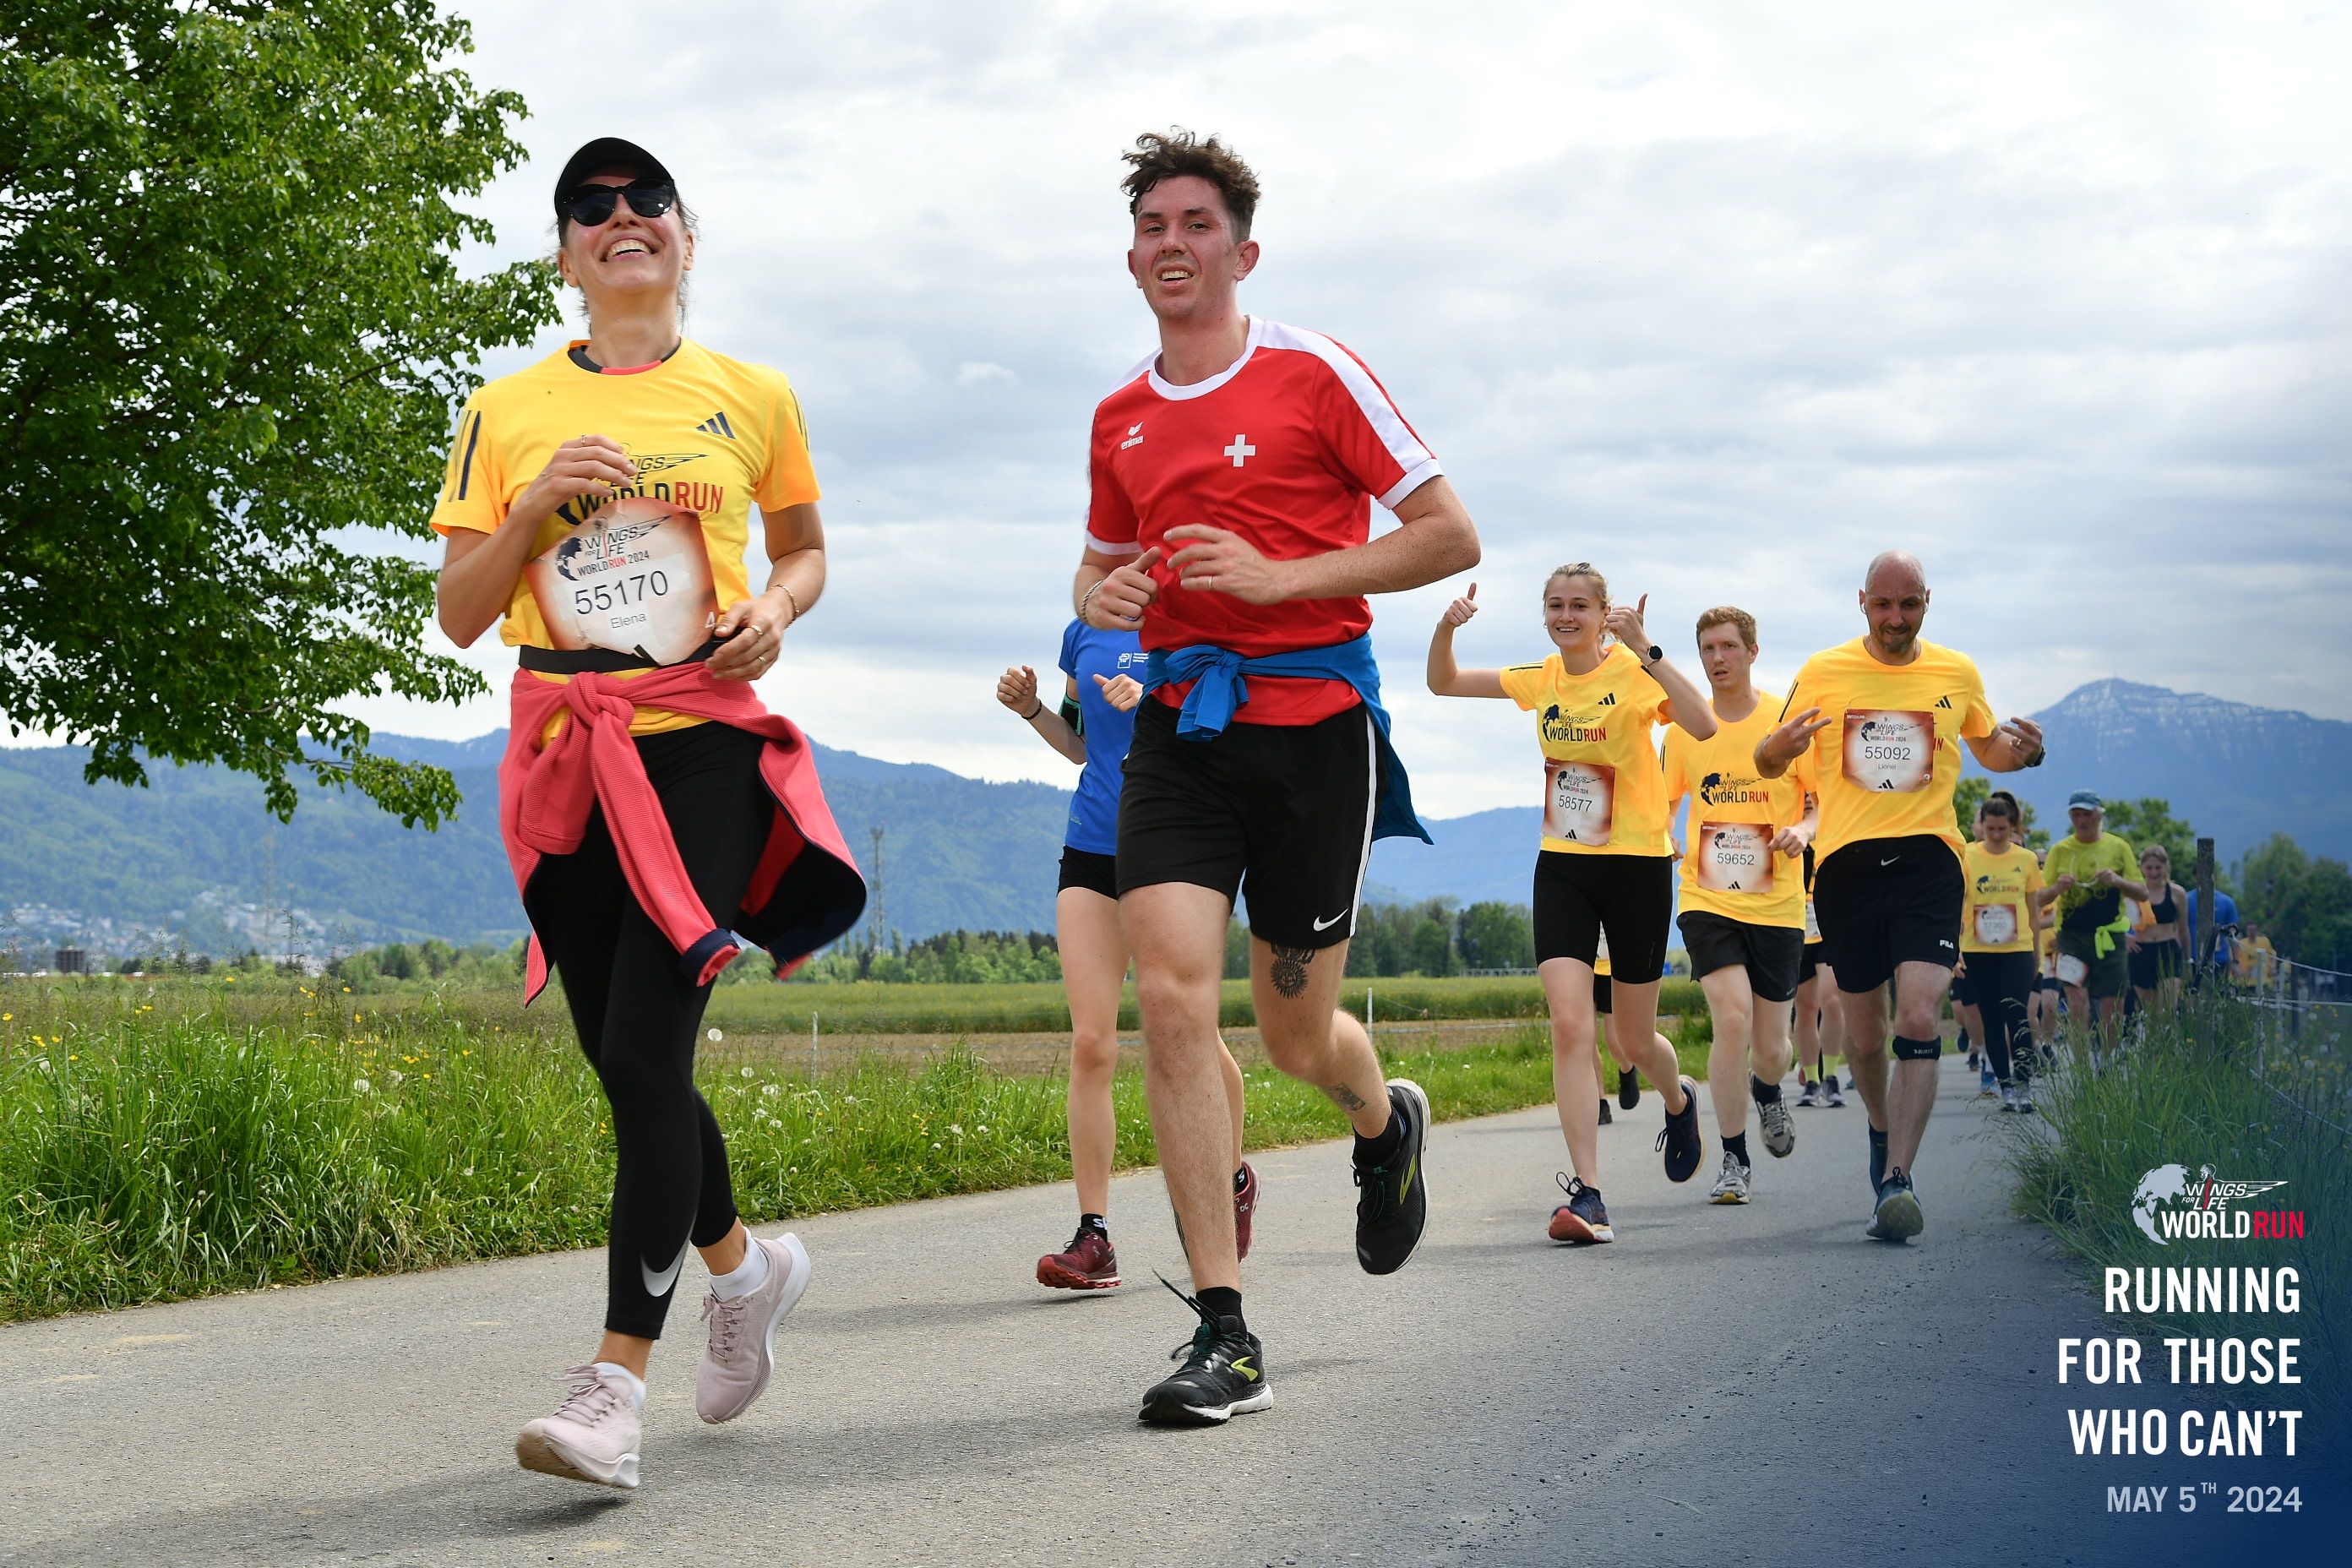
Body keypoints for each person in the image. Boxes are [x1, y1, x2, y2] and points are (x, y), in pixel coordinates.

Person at [432, 139, 865, 1488]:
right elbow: (460, 612)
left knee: (644, 1044)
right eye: (591, 207)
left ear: (685, 234)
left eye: (646, 200)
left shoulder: (753, 394)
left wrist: (773, 608)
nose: (622, 217)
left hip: (703, 748)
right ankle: (745, 1271)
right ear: (565, 255)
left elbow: (804, 550)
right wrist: (533, 509)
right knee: (628, 1068)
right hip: (569, 751)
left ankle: (612, 1393)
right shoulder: (503, 410)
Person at [1071, 129, 1480, 1425]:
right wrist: (1106, 597)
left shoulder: (1314, 374)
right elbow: (1095, 569)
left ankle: (1382, 1121)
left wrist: (1278, 580)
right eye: (1152, 225)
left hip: (1314, 731)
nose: (1172, 243)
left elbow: (1448, 535)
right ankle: (1225, 1328)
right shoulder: (1120, 416)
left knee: (1296, 1033)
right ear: (1132, 258)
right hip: (1181, 733)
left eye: (1197, 224)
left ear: (1242, 253)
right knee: (1172, 1002)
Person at [1755, 551, 2044, 1243]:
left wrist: (2027, 753)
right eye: (1883, 605)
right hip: (1848, 867)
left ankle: (1898, 1180)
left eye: (1908, 604)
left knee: (1917, 1016)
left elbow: (1989, 748)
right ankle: (1882, 1132)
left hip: (1929, 861)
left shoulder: (1956, 671)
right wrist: (1776, 748)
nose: (1895, 618)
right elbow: (1768, 760)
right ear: (1862, 603)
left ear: (1927, 601)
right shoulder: (1823, 671)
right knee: (1864, 1035)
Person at [1429, 566, 1712, 1244]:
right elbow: (1444, 682)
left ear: (1604, 612)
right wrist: (1445, 628)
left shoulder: (1636, 672)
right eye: (1555, 605)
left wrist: (1647, 648)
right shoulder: (1543, 677)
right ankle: (1589, 1194)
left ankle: (1679, 1099)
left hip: (1638, 868)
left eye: (1579, 605)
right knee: (1570, 1026)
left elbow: (1702, 724)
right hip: (1563, 865)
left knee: (1634, 1041)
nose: (1565, 615)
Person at [994, 638, 1255, 1290]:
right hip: (1090, 845)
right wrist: (1032, 711)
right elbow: (1082, 745)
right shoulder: (1082, 633)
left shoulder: (1195, 624)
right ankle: (1095, 1236)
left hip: (1170, 846)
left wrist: (1157, 703)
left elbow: (1235, 737)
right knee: (1091, 1042)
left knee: (1192, 1031)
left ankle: (1230, 1179)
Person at [1661, 607, 1813, 1205]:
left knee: (1772, 1049)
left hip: (1777, 903)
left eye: (1728, 647)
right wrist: (1664, 835)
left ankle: (1768, 1090)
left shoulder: (1785, 721)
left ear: (1752, 651)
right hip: (1707, 897)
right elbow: (1660, 800)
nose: (1717, 659)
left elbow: (1821, 800)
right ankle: (1733, 1158)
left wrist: (1804, 830)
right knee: (1730, 1020)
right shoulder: (1685, 729)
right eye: (1707, 649)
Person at [2035, 791, 2148, 1057]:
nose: (2082, 820)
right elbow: (2038, 898)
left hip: (2110, 934)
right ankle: (2083, 1062)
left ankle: (2107, 1058)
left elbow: (2142, 893)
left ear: (2099, 816)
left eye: (2087, 814)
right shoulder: (2060, 850)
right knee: (2077, 1000)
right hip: (2071, 936)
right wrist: (2057, 889)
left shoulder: (2118, 847)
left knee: (2112, 1003)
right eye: (2076, 814)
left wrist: (2117, 881)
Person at [1959, 792, 2046, 1113]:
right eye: (1991, 829)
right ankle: (2005, 1085)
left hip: (2017, 948)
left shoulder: (2025, 859)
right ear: (1981, 826)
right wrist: (1955, 947)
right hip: (1977, 949)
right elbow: (1956, 903)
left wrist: (2036, 951)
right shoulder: (1967, 856)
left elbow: (2033, 910)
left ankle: (2024, 1083)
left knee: (2017, 1014)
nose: (1996, 836)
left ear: (2013, 827)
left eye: (2002, 830)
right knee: (1991, 1018)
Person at [1793, 848, 1848, 1108]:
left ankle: (1831, 1077)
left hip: (1829, 926)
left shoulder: (1829, 833)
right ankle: (1812, 1080)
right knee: (1805, 1007)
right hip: (1798, 927)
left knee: (1832, 1001)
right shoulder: (1788, 830)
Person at [2126, 844, 2189, 1019]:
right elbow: (2111, 919)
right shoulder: (2133, 893)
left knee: (2167, 1010)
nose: (2154, 873)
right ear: (2142, 868)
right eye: (2149, 868)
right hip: (2141, 952)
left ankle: (2173, 1036)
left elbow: (2183, 929)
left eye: (2158, 868)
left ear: (2166, 867)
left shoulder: (2177, 894)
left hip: (2168, 950)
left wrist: (2187, 959)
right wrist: (2124, 938)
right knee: (2151, 1014)